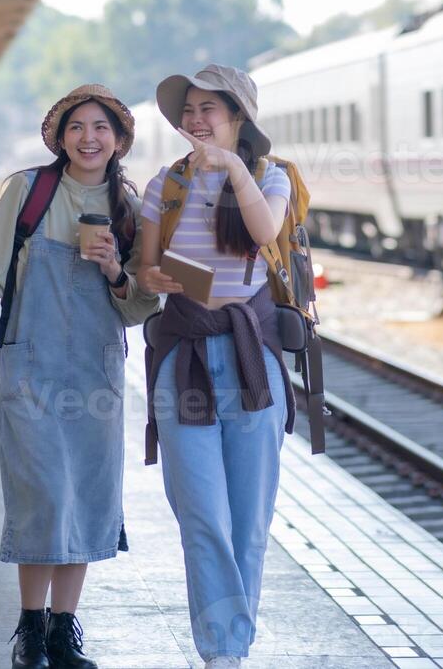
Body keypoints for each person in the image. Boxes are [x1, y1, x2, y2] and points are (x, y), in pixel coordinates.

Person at [0, 84, 160, 669]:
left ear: (118, 139)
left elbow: (138, 307)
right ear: (60, 137)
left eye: (100, 127)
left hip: (96, 371)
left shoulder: (131, 211)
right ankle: (30, 631)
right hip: (30, 368)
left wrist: (114, 267)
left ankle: (64, 632)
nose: (89, 137)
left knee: (84, 495)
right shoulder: (28, 192)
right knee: (41, 494)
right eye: (77, 127)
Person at [137, 64, 297, 669]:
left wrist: (231, 169)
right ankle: (222, 653)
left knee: (249, 520)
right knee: (202, 513)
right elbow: (147, 272)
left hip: (250, 359)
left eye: (210, 109)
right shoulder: (165, 184)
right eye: (189, 110)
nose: (195, 120)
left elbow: (264, 231)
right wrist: (151, 276)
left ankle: (231, 647)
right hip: (184, 359)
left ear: (238, 119)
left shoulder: (268, 176)